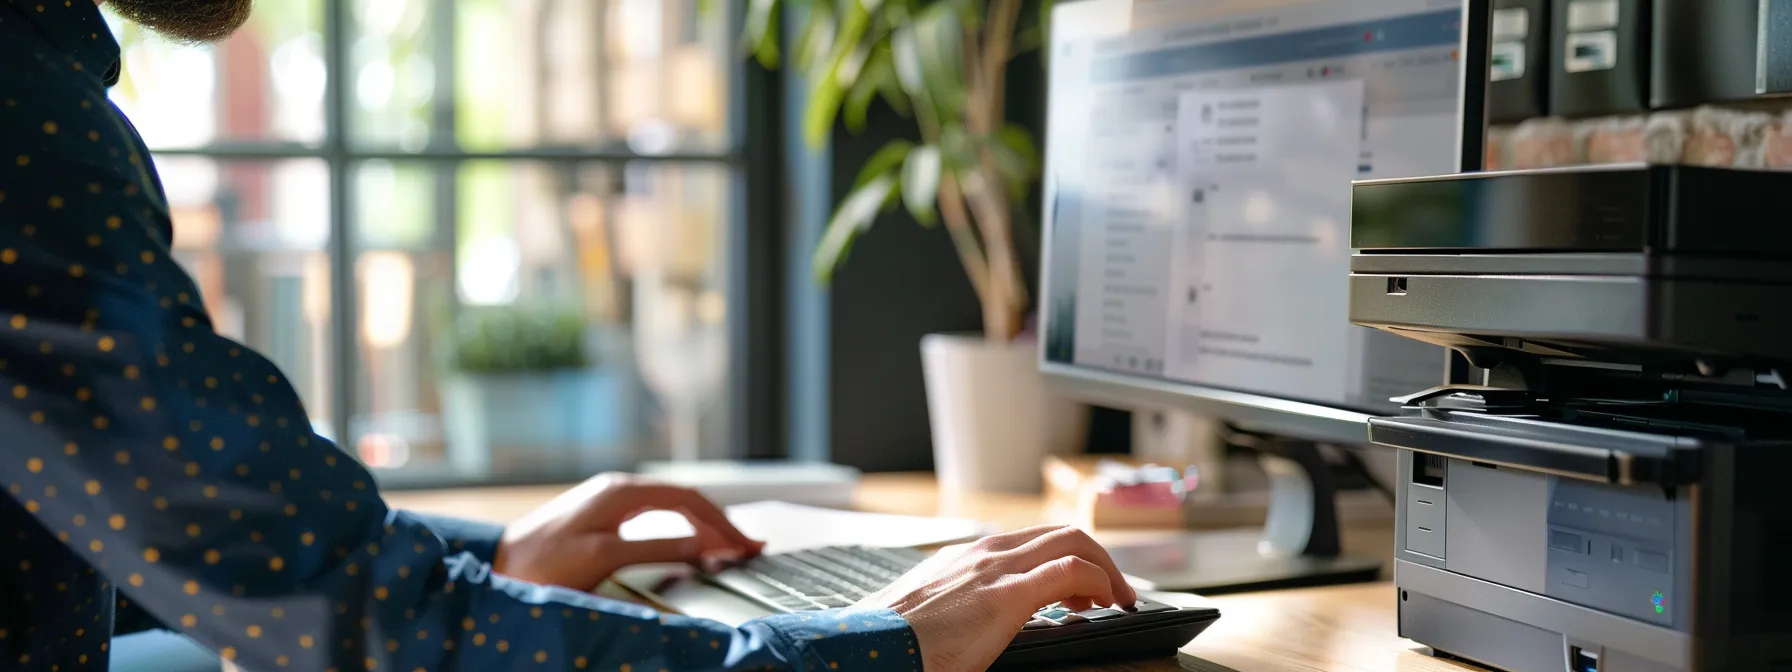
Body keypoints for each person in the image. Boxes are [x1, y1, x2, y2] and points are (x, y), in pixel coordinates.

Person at [0, 1, 1140, 670]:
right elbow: (342, 619)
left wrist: (482, 558)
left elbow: (142, 533)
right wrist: (861, 652)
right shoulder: (26, 123)